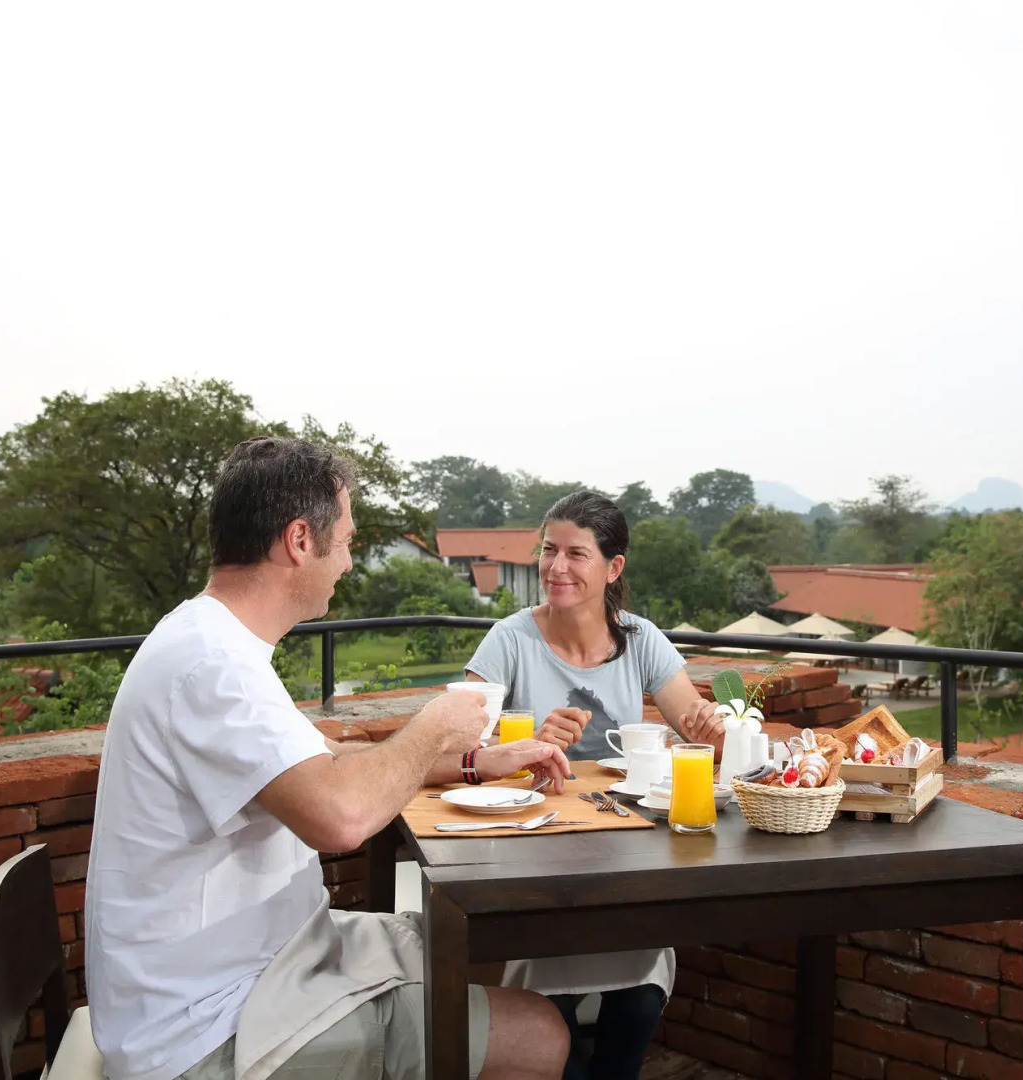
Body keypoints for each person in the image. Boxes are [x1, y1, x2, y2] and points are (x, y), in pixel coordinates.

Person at [86, 436, 572, 1080]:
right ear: (298, 540)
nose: (347, 563)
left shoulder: (214, 641)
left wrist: (475, 764)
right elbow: (339, 817)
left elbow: (331, 760)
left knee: (477, 950)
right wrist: (431, 727)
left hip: (265, 962)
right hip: (207, 1025)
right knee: (538, 1035)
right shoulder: (213, 665)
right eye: (343, 541)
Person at [463, 490, 725, 1080]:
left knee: (636, 1001)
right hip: (534, 853)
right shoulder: (508, 641)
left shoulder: (641, 639)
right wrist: (524, 750)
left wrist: (714, 728)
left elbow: (697, 729)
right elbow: (457, 748)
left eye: (576, 554)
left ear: (614, 567)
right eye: (549, 550)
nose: (557, 567)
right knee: (546, 1018)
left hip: (627, 851)